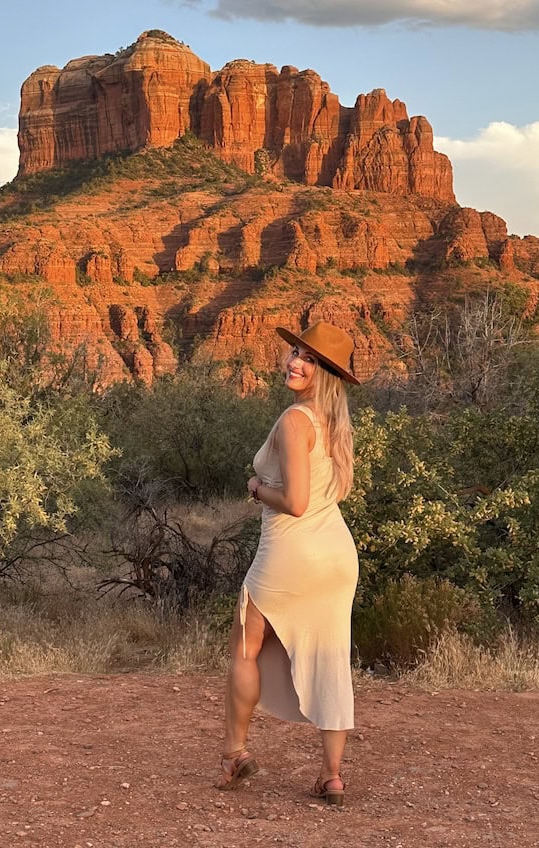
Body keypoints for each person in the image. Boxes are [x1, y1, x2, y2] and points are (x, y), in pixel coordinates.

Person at [216, 320, 360, 806]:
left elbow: (296, 502)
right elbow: (328, 494)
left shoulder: (295, 420)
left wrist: (256, 489)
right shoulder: (334, 424)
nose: (295, 362)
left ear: (326, 374)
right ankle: (332, 776)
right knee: (331, 659)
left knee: (245, 645)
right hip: (336, 556)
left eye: (310, 359)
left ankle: (235, 753)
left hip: (290, 551)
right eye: (296, 352)